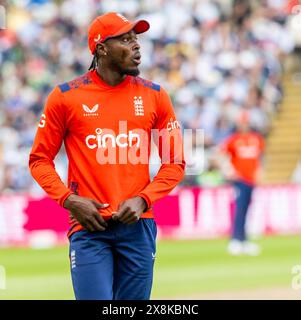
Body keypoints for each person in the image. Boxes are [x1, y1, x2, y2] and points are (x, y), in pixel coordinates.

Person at [29, 12, 185, 300]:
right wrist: (69, 200)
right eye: (126, 39)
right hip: (89, 229)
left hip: (138, 227)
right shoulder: (65, 97)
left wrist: (143, 199)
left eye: (136, 38)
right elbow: (39, 160)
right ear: (101, 48)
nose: (136, 46)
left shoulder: (156, 96)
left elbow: (175, 162)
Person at [219, 111, 264, 256]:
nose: (243, 125)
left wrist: (259, 171)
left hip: (251, 179)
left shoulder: (256, 139)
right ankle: (236, 240)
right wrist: (228, 170)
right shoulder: (233, 140)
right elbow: (221, 154)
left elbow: (259, 157)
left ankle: (243, 240)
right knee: (240, 209)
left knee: (246, 210)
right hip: (240, 180)